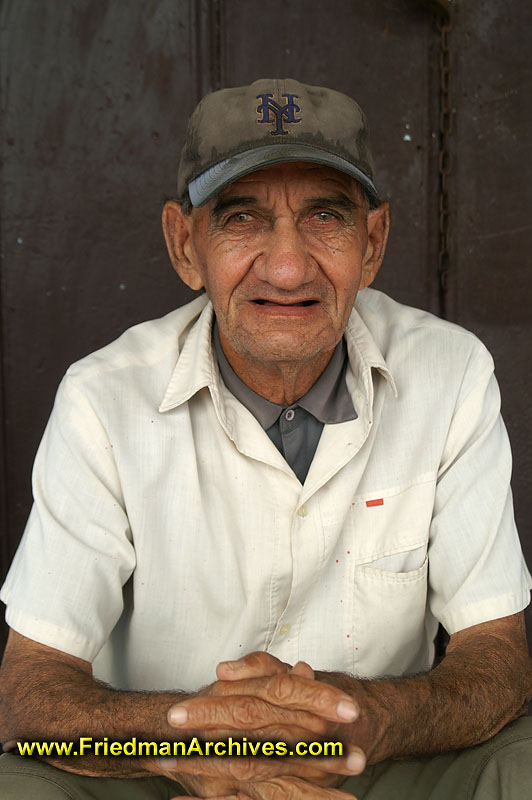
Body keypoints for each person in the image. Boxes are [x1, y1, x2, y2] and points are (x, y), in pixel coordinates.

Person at [0, 77, 531, 800]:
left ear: (371, 243)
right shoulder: (103, 400)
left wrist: (370, 717)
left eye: (324, 217)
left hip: (375, 762)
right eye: (243, 218)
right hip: (165, 767)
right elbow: (28, 694)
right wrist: (185, 739)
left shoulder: (452, 372)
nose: (287, 267)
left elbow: (498, 656)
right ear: (185, 245)